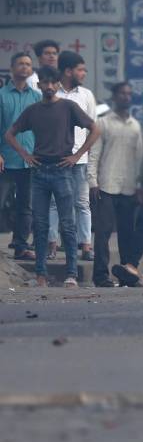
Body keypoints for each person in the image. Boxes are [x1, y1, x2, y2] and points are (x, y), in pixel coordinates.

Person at [4, 65, 100, 287]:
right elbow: (10, 134)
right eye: (44, 83)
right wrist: (25, 154)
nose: (48, 86)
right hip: (38, 172)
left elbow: (95, 129)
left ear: (58, 84)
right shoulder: (33, 110)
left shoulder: (69, 107)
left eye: (52, 82)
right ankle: (41, 274)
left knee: (67, 224)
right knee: (39, 224)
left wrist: (76, 156)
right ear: (38, 85)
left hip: (63, 170)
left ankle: (71, 274)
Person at [88, 82, 143, 287]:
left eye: (129, 94)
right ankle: (100, 276)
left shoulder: (135, 126)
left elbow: (139, 159)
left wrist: (140, 186)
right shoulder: (103, 123)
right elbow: (94, 154)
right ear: (114, 96)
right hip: (106, 185)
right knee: (102, 233)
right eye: (122, 93)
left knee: (127, 234)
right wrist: (92, 182)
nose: (126, 97)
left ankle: (125, 274)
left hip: (129, 187)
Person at [56, 51, 97, 262]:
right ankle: (52, 245)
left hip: (79, 160)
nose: (84, 73)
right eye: (80, 69)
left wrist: (85, 156)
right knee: (55, 204)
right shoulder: (53, 93)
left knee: (82, 203)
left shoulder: (86, 95)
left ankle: (86, 246)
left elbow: (93, 128)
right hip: (54, 159)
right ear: (68, 71)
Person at [1, 52, 39, 261]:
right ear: (12, 68)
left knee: (26, 206)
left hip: (29, 160)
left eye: (28, 64)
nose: (25, 67)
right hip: (5, 160)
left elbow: (42, 128)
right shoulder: (1, 95)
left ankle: (21, 247)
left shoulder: (37, 97)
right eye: (21, 64)